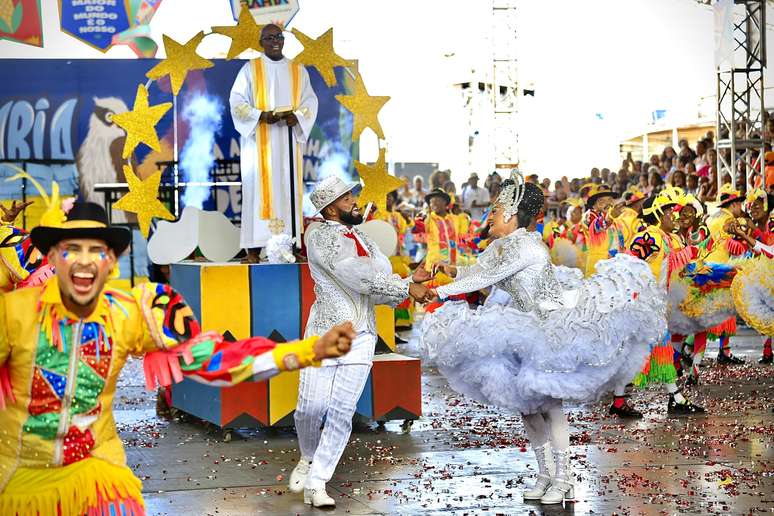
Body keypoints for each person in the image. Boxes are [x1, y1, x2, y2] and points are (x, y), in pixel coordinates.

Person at [0, 202, 355, 516]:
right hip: (19, 480)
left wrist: (306, 351)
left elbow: (216, 361)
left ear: (110, 263)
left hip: (99, 475)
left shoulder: (131, 313)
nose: (84, 260)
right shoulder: (13, 314)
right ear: (51, 259)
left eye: (97, 250)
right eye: (71, 249)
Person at [421, 172, 665, 505]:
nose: (489, 216)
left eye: (495, 210)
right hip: (525, 328)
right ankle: (544, 475)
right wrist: (442, 274)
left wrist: (431, 292)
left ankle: (564, 479)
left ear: (511, 213)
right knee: (527, 408)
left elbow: (485, 276)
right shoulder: (504, 247)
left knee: (550, 407)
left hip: (552, 328)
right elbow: (476, 273)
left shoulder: (525, 246)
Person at [290, 176, 432, 508]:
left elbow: (376, 286)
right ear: (330, 208)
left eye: (352, 195)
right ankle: (308, 456)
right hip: (326, 334)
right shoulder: (319, 238)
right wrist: (407, 289)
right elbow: (355, 275)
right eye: (346, 198)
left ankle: (317, 481)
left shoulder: (364, 239)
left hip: (362, 335)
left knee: (341, 411)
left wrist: (410, 280)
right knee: (310, 407)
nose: (354, 200)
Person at [230, 24, 319, 263]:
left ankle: (291, 243)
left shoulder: (298, 70)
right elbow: (237, 101)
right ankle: (254, 248)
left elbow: (310, 101)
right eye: (269, 38)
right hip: (260, 141)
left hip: (288, 140)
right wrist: (260, 115)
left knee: (289, 188)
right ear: (261, 42)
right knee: (257, 190)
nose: (275, 41)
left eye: (279, 36)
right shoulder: (250, 69)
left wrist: (297, 116)